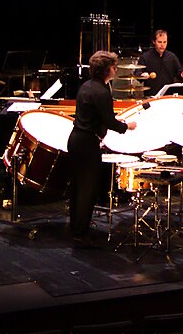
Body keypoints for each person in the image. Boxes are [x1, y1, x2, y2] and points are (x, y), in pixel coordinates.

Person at [67, 51, 137, 248]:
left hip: (76, 140)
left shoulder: (87, 86)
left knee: (78, 188)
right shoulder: (101, 91)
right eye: (114, 67)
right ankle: (81, 233)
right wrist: (126, 126)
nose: (115, 70)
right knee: (87, 190)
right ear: (107, 70)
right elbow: (109, 121)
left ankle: (76, 228)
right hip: (87, 144)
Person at [137, 29, 183, 96]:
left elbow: (179, 71)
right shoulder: (145, 57)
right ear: (154, 41)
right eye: (159, 42)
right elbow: (137, 73)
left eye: (164, 42)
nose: (162, 45)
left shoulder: (172, 57)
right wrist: (142, 75)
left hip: (168, 95)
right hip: (151, 95)